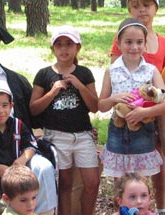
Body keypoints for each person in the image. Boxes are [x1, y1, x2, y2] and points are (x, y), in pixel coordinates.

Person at [30, 25, 100, 215]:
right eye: (59, 44)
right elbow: (34, 108)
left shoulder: (84, 73)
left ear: (78, 47)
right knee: (65, 184)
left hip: (82, 134)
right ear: (52, 48)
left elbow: (95, 106)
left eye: (69, 44)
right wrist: (53, 91)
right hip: (57, 135)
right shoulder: (44, 74)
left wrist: (79, 85)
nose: (64, 49)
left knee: (92, 182)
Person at [110, 2, 165, 213]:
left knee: (159, 158)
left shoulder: (162, 41)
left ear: (156, 9)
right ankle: (125, 206)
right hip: (129, 110)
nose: (142, 10)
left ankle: (158, 206)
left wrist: (150, 109)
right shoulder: (124, 38)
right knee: (134, 158)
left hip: (155, 105)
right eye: (135, 5)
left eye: (146, 5)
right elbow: (118, 76)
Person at [99, 17, 165, 183]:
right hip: (117, 131)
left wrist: (145, 112)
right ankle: (121, 209)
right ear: (119, 44)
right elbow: (101, 105)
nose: (134, 47)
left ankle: (142, 210)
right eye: (128, 42)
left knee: (141, 184)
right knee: (120, 185)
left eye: (139, 42)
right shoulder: (112, 71)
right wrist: (114, 98)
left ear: (145, 44)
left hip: (143, 132)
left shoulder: (151, 71)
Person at [0, 80, 57, 215]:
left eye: (5, 105)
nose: (0, 111)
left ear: (11, 106)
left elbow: (31, 145)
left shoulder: (17, 124)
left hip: (19, 182)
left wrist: (22, 159)